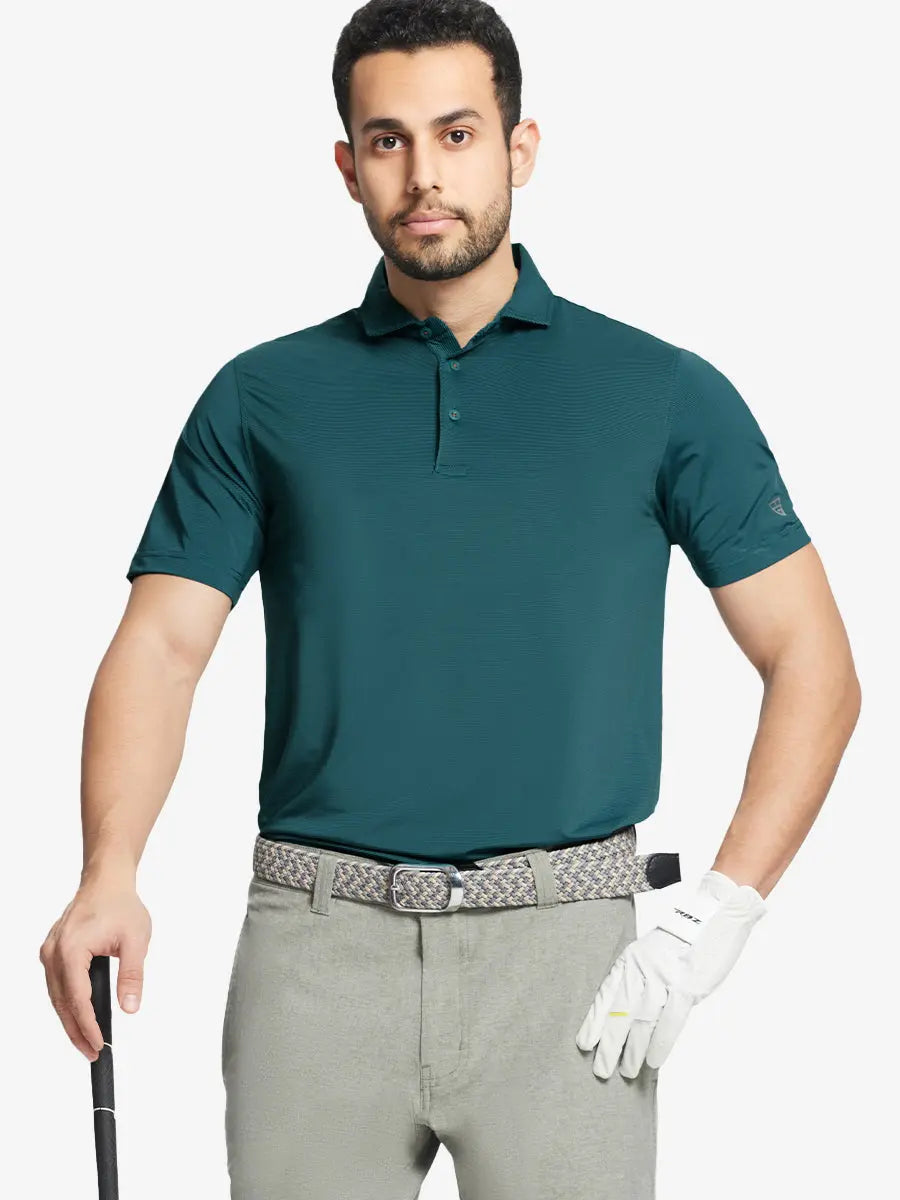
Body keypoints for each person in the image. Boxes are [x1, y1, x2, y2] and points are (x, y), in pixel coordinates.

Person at [39, 1, 861, 1197]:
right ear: (347, 166)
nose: (425, 174)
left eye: (458, 133)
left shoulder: (662, 393)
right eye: (389, 140)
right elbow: (162, 647)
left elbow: (814, 663)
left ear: (520, 148)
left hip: (570, 957)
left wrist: (719, 911)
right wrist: (107, 870)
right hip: (315, 950)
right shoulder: (261, 398)